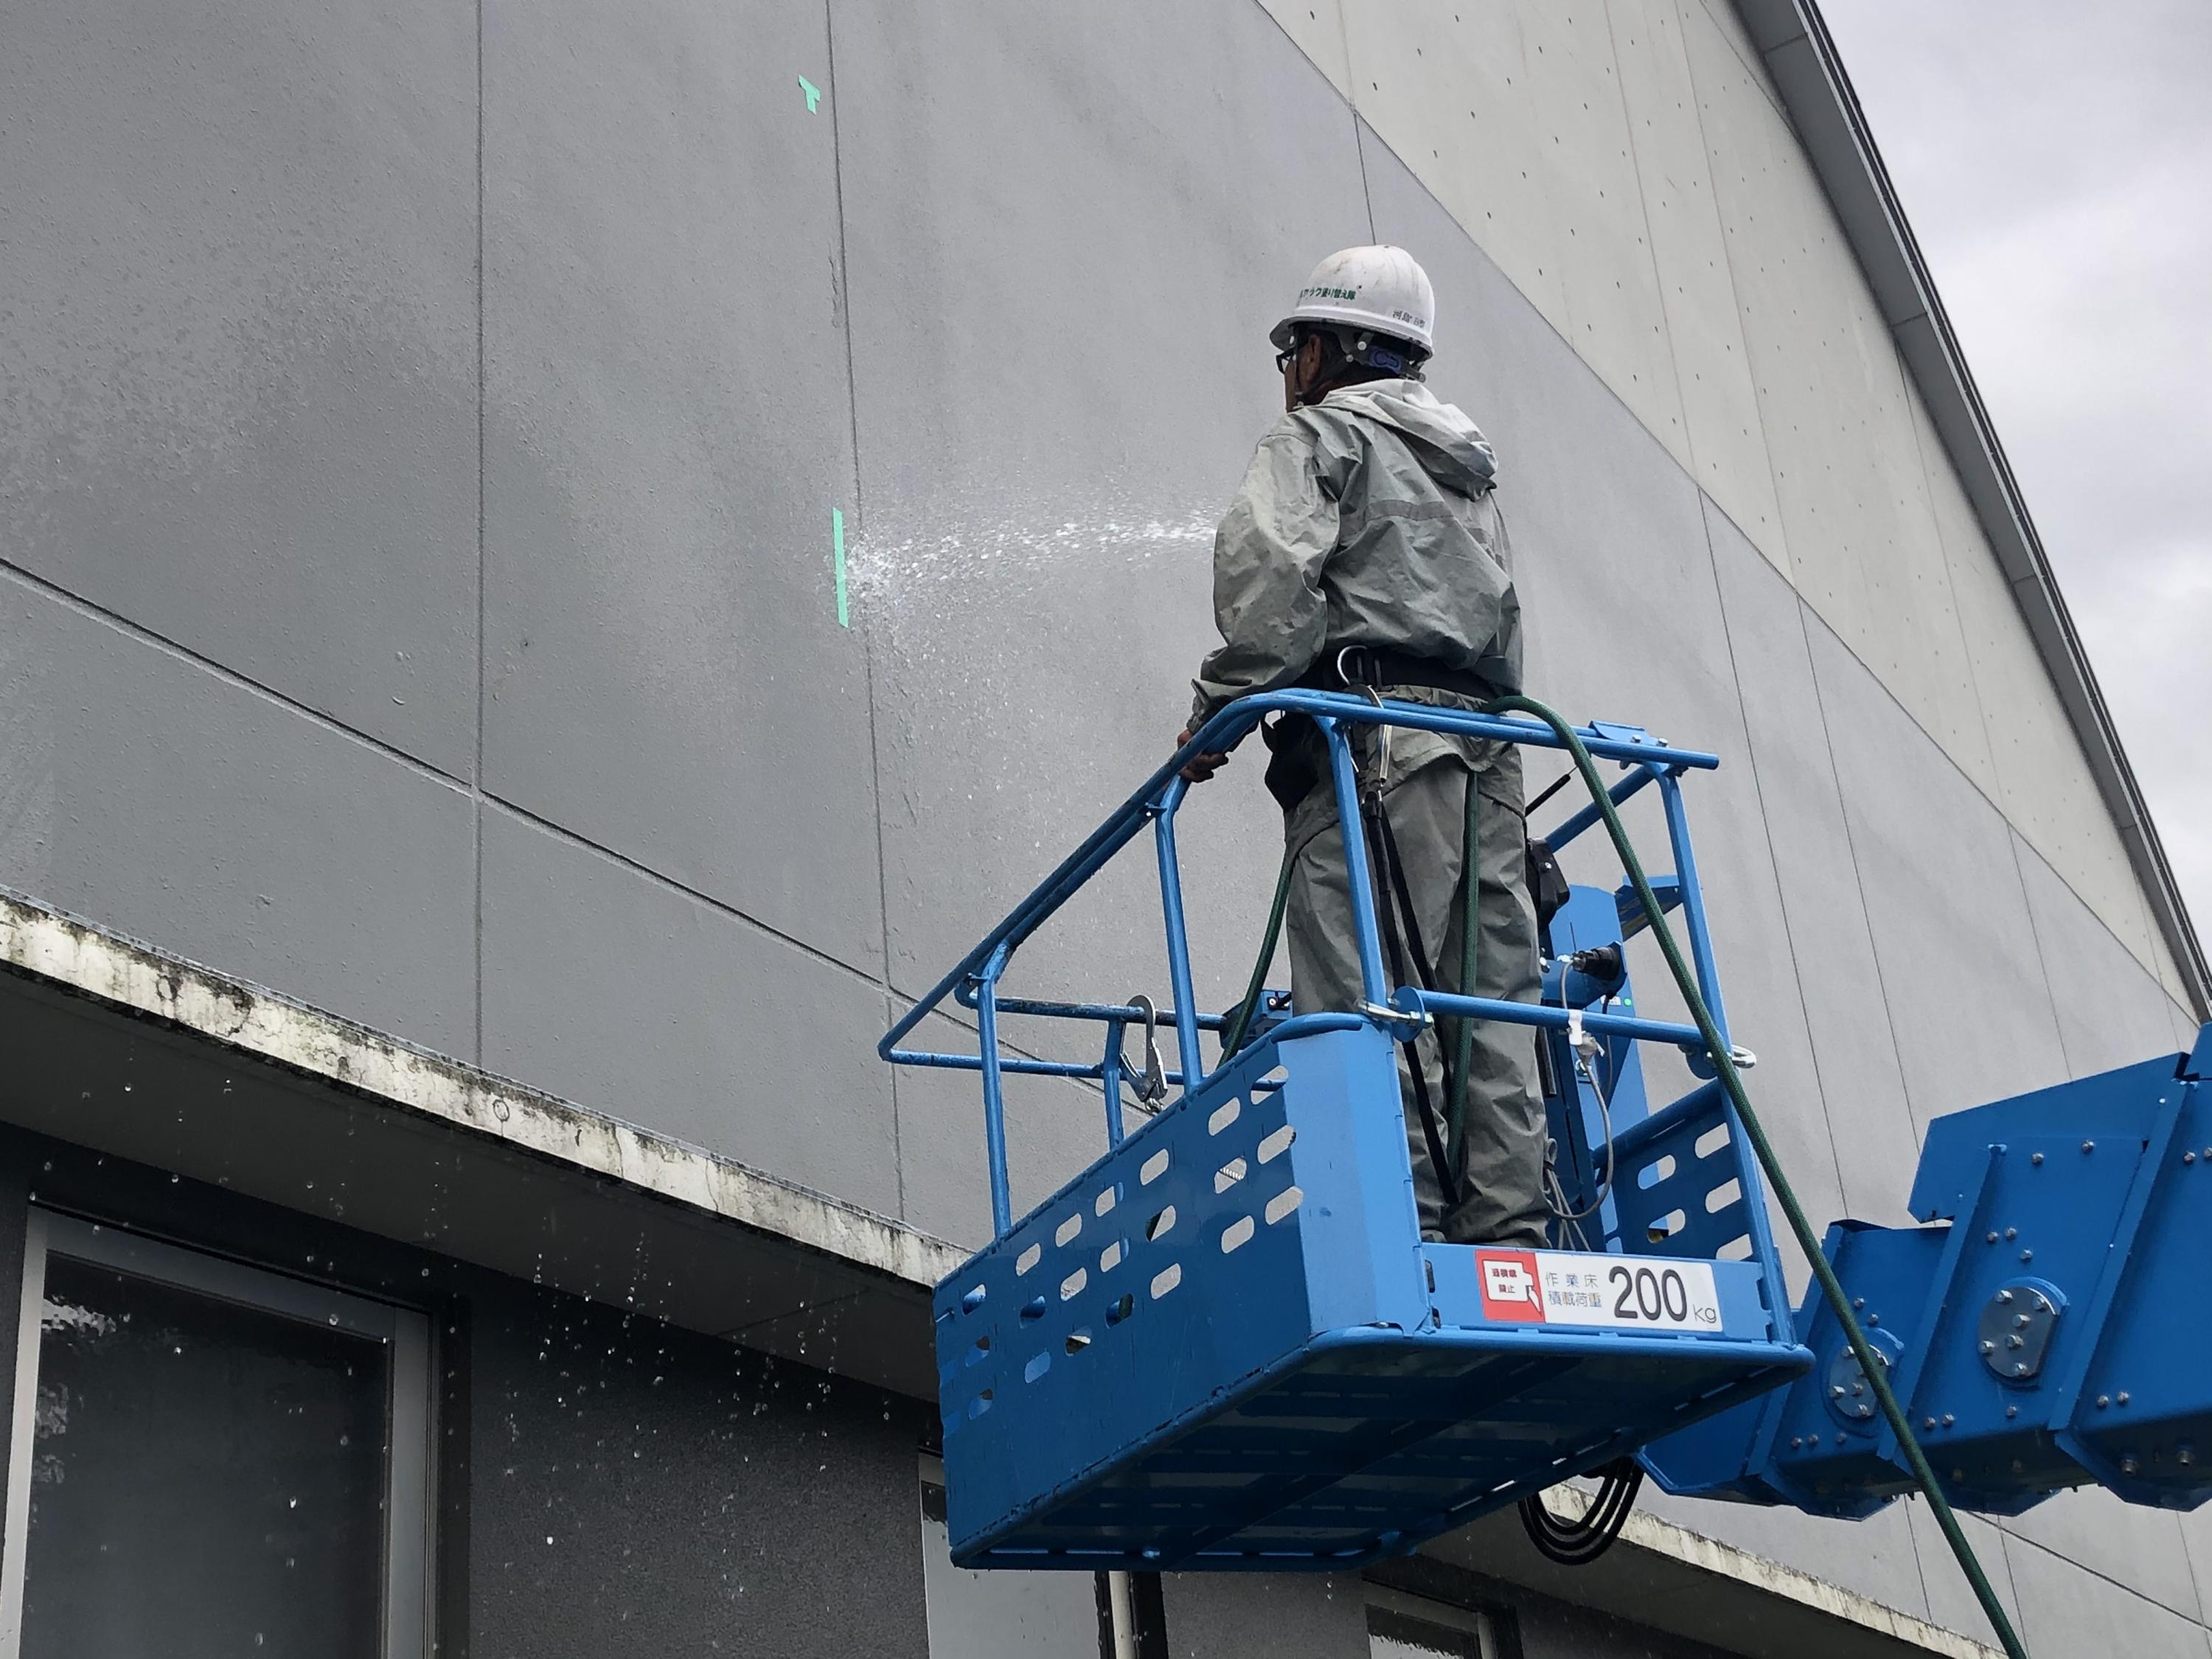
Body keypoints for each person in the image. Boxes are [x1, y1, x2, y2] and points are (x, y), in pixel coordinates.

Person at [1175, 246, 1545, 1248]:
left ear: (1336, 347)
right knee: (1492, 1000)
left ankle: (1410, 1235)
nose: (1290, 370)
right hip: (1487, 756)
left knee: (1369, 994)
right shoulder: (1468, 469)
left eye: (1297, 346)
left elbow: (1270, 596)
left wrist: (1219, 712)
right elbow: (1501, 626)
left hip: (1372, 751)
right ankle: (1511, 1236)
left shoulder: (1320, 438)